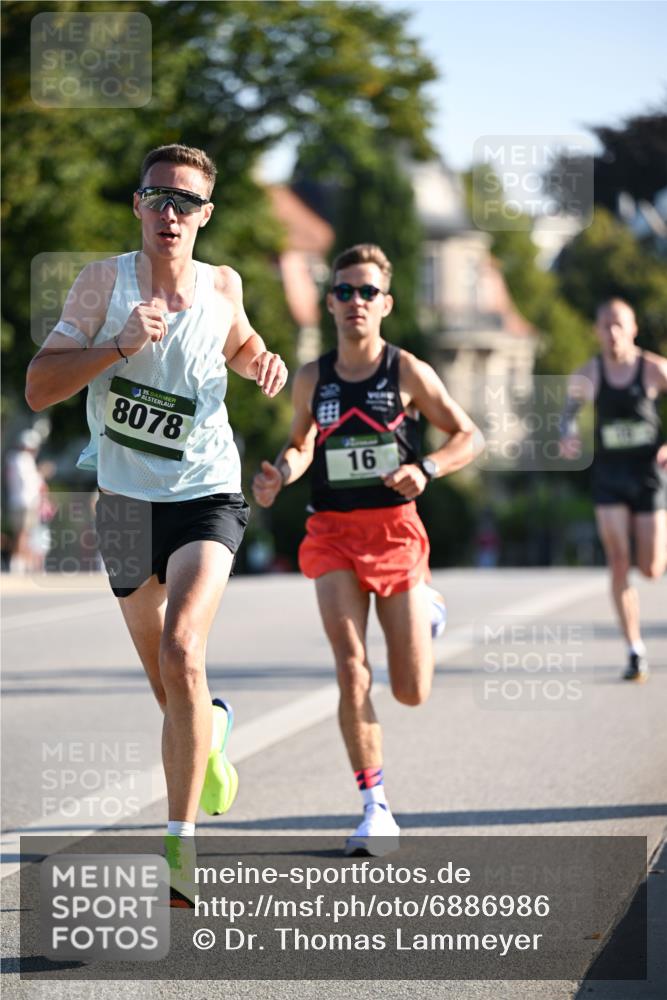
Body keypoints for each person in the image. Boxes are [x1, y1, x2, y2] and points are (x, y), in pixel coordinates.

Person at [25, 143, 287, 904]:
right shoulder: (102, 284)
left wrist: (262, 360)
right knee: (168, 684)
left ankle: (179, 848)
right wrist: (116, 346)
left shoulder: (223, 285)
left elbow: (239, 344)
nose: (170, 213)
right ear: (138, 206)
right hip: (124, 504)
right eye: (157, 198)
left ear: (206, 216)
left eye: (186, 203)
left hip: (206, 492)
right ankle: (209, 734)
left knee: (182, 647)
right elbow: (41, 387)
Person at [252, 243, 483, 856]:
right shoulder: (312, 377)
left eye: (367, 292)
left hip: (396, 532)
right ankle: (375, 808)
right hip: (331, 532)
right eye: (345, 291)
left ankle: (427, 610)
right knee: (352, 668)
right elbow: (301, 445)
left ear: (386, 303)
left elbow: (470, 435)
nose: (356, 301)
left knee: (410, 690)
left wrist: (428, 468)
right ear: (330, 302)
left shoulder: (405, 370)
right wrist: (281, 472)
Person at [561, 298, 667, 682]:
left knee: (653, 569)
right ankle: (634, 649)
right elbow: (567, 415)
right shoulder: (590, 372)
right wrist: (567, 434)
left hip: (648, 476)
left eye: (619, 324)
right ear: (597, 331)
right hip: (609, 475)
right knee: (618, 560)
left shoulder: (654, 369)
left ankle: (650, 550)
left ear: (634, 328)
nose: (613, 332)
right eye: (605, 325)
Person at [4, 428, 44, 573]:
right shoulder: (24, 459)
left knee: (19, 532)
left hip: (15, 500)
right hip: (26, 501)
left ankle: (18, 561)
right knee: (24, 533)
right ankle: (19, 562)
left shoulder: (12, 458)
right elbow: (32, 482)